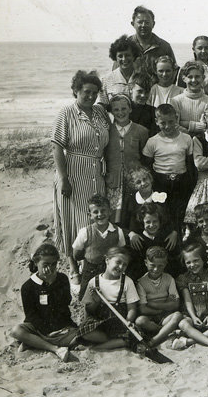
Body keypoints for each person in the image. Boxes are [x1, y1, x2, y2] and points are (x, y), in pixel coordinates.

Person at [52, 70, 111, 264]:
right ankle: (73, 266)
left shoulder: (100, 112)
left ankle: (92, 261)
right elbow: (57, 147)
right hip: (74, 174)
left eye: (95, 92)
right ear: (76, 91)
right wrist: (63, 178)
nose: (91, 96)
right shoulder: (66, 113)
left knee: (95, 217)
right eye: (86, 91)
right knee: (73, 218)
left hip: (96, 172)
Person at [11, 244, 80, 362]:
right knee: (16, 331)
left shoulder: (62, 279)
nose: (51, 268)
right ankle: (54, 349)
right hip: (39, 328)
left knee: (81, 336)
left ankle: (35, 343)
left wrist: (52, 283)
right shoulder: (27, 287)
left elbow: (65, 303)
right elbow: (31, 315)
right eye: (46, 264)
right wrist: (47, 331)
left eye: (54, 264)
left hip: (61, 326)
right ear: (36, 263)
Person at [142, 103, 195, 229]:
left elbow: (190, 164)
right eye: (163, 123)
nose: (167, 126)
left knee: (180, 215)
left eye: (171, 122)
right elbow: (147, 166)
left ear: (176, 119)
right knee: (162, 214)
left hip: (181, 183)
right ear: (156, 122)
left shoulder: (186, 139)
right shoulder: (152, 141)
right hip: (160, 183)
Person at [170, 243, 208, 354]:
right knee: (182, 324)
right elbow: (187, 300)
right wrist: (193, 317)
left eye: (196, 260)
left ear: (203, 260)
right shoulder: (183, 278)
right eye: (188, 262)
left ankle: (188, 341)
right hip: (192, 315)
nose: (192, 264)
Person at [80, 246, 139, 351]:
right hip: (100, 321)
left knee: (133, 333)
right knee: (85, 331)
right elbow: (88, 310)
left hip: (119, 320)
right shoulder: (94, 282)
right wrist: (96, 301)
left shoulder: (127, 282)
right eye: (118, 262)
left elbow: (132, 308)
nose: (121, 267)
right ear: (107, 260)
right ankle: (115, 341)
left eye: (124, 265)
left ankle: (98, 347)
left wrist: (129, 321)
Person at [72, 194, 127, 299]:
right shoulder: (85, 232)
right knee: (87, 297)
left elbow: (121, 251)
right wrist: (89, 256)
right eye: (95, 212)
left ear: (110, 212)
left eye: (103, 210)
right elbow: (76, 254)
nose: (100, 214)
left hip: (111, 270)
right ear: (90, 215)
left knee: (111, 296)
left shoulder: (117, 231)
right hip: (90, 270)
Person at [104, 94, 149, 224]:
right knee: (115, 217)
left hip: (135, 181)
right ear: (112, 112)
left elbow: (146, 158)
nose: (120, 113)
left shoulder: (142, 131)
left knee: (135, 215)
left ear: (130, 109)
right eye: (116, 110)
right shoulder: (107, 131)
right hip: (113, 182)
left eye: (124, 109)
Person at [133, 246, 183, 348]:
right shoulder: (141, 282)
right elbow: (143, 309)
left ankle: (154, 341)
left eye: (160, 266)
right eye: (152, 265)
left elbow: (175, 304)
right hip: (150, 319)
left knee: (177, 315)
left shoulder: (169, 279)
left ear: (165, 264)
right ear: (146, 263)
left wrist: (152, 304)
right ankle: (166, 330)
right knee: (139, 321)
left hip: (166, 317)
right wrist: (163, 307)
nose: (156, 269)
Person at [127, 203, 181, 281]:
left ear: (160, 221)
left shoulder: (167, 239)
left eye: (155, 221)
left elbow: (174, 265)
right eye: (148, 222)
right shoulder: (137, 240)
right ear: (142, 222)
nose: (151, 225)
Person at [122, 6, 176, 76]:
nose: (143, 25)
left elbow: (174, 72)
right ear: (133, 24)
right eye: (140, 22)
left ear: (153, 24)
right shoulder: (124, 46)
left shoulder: (164, 47)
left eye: (147, 22)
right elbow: (116, 73)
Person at [171, 61, 208, 136]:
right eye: (190, 77)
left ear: (203, 78)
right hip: (182, 141)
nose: (194, 80)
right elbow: (174, 125)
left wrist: (183, 123)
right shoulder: (175, 101)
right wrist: (193, 127)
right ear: (184, 78)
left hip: (203, 142)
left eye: (197, 76)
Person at [97, 35, 141, 107]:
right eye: (120, 56)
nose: (124, 59)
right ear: (115, 57)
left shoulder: (142, 78)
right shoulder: (105, 80)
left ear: (134, 56)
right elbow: (103, 108)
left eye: (127, 55)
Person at [177, 35, 208, 100]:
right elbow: (180, 90)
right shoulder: (185, 68)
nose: (203, 51)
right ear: (193, 49)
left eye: (207, 48)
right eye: (200, 48)